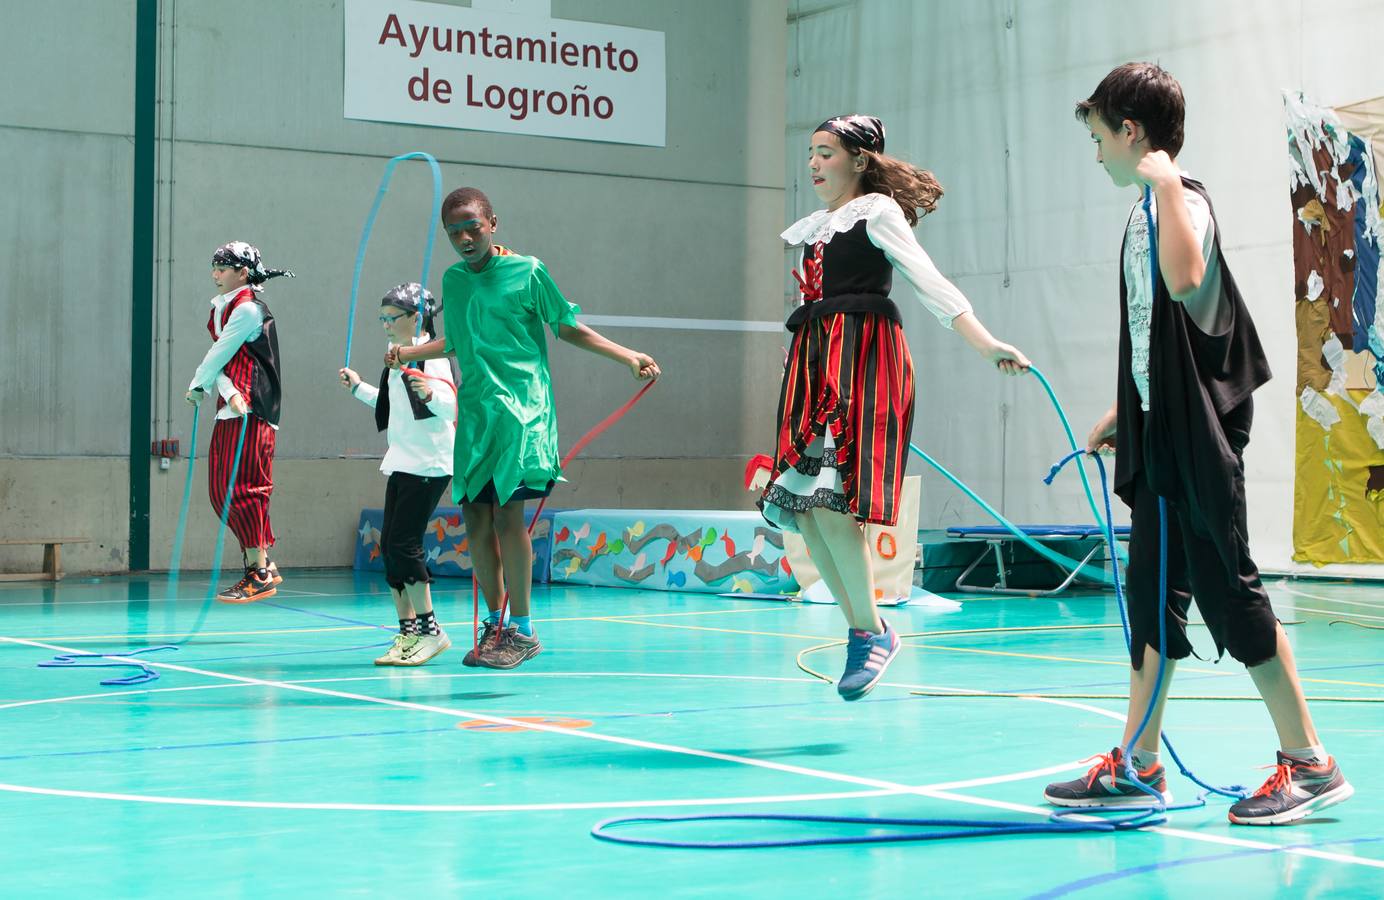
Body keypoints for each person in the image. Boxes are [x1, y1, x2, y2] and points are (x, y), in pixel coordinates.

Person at [1042, 62, 1352, 825]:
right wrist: (1129, 409)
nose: (1097, 154)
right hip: (1160, 441)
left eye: (1099, 138)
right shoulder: (1145, 210)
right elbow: (1160, 332)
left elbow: (1184, 282)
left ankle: (1311, 765)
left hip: (1201, 447)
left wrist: (1169, 183)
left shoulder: (1182, 203)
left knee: (1232, 598)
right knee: (1152, 602)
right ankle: (1140, 766)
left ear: (1133, 132)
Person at [764, 115, 1029, 700]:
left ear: (860, 161)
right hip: (814, 359)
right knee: (805, 510)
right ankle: (869, 630)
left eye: (826, 153)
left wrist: (985, 343)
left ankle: (868, 633)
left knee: (832, 500)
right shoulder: (816, 227)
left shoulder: (878, 214)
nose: (812, 164)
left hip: (861, 358)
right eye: (810, 153)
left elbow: (927, 280)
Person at [389, 187, 659, 669]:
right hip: (476, 415)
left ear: (493, 222)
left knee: (507, 517)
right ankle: (494, 624)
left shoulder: (528, 271)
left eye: (473, 226)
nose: (465, 237)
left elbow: (567, 326)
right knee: (474, 519)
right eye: (454, 232)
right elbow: (462, 340)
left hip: (521, 411)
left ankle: (524, 627)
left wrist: (628, 355)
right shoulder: (453, 280)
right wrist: (410, 353)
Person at [340, 283, 456, 666]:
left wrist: (430, 394)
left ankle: (430, 631)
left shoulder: (432, 359)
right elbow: (391, 404)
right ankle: (407, 633)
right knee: (389, 545)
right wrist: (358, 388)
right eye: (382, 319)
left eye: (393, 318)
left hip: (429, 464)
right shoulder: (397, 358)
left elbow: (450, 405)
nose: (386, 325)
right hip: (403, 460)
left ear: (416, 318)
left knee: (405, 544)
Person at [185, 241, 292, 602]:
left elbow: (217, 355)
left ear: (242, 273)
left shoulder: (247, 309)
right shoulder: (224, 309)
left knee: (243, 491)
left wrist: (198, 382)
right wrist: (219, 388)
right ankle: (260, 564)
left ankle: (258, 570)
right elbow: (223, 362)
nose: (215, 274)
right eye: (214, 267)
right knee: (223, 492)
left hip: (252, 409)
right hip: (232, 405)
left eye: (223, 268)